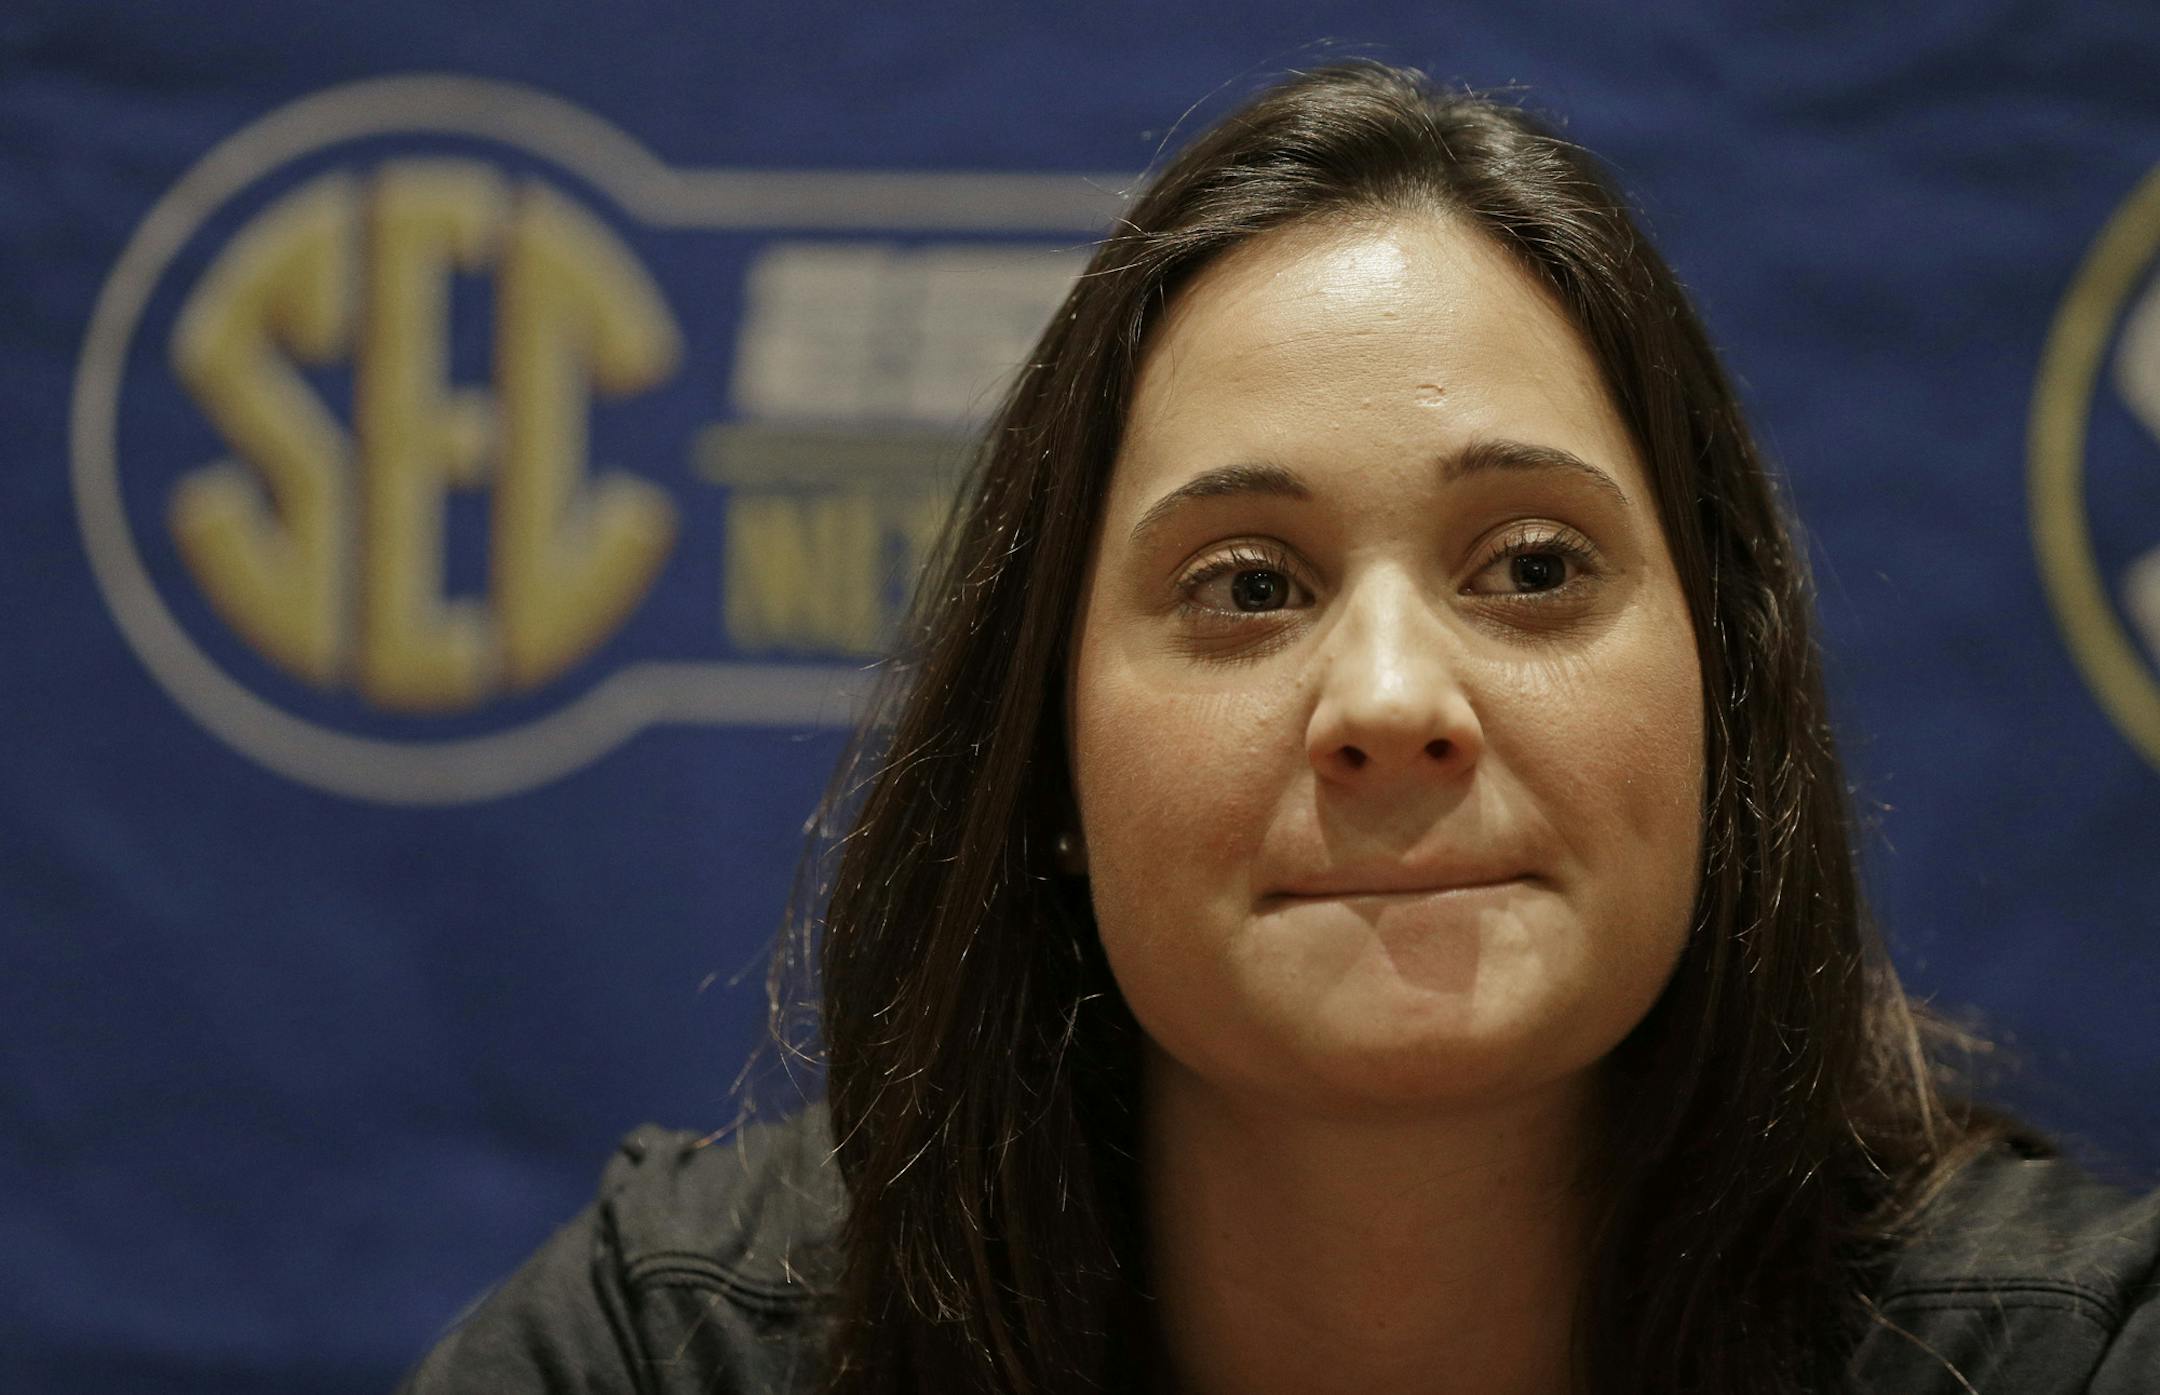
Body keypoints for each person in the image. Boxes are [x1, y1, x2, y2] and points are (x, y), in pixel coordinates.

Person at [396, 61, 2160, 1395]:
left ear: (1725, 709)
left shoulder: (2065, 1359)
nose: (1391, 703)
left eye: (1534, 565)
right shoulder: (679, 1348)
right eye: (1246, 587)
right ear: (1054, 768)